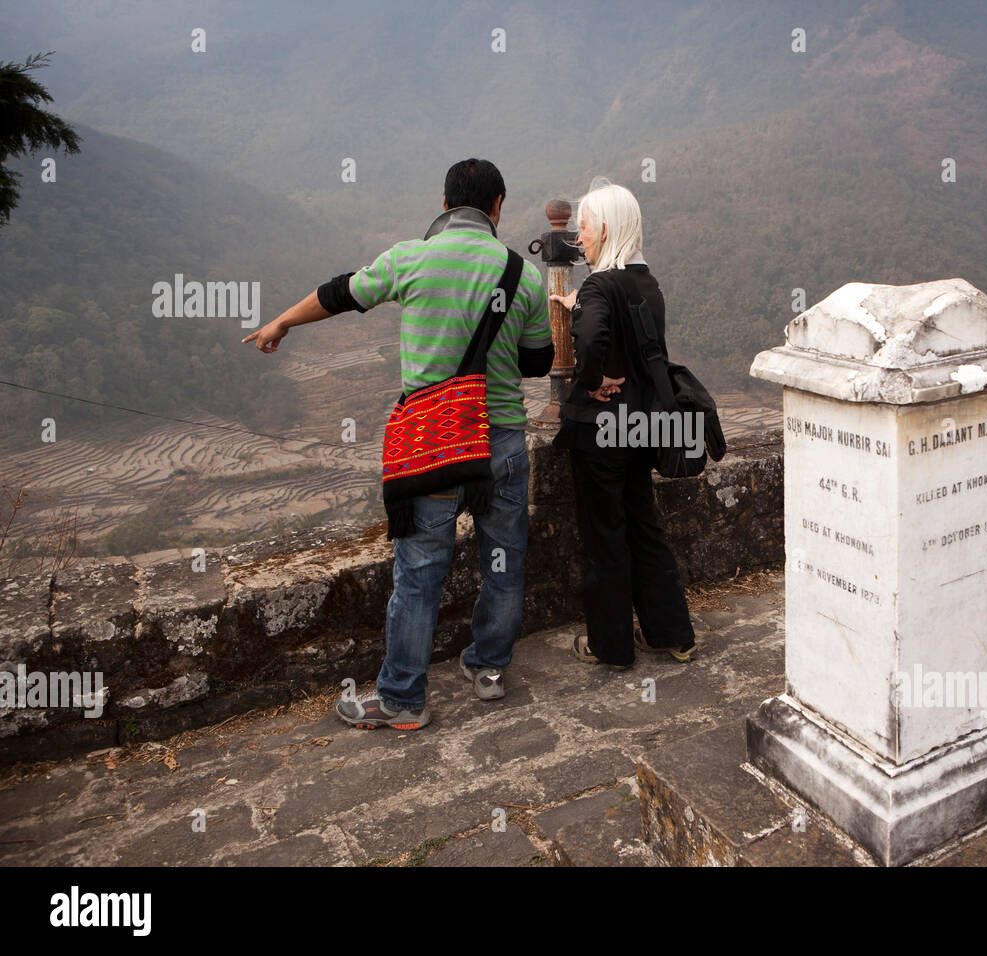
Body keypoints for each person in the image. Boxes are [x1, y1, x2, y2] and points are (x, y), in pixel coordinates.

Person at [243, 158, 553, 728]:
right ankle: (488, 668)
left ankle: (403, 700)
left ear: (443, 205)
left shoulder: (409, 259)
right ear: (498, 206)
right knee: (503, 563)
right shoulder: (523, 275)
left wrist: (281, 323)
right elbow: (538, 363)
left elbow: (339, 294)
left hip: (433, 445)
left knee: (418, 574)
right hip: (502, 443)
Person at [550, 179, 697, 668]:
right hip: (643, 426)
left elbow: (592, 339)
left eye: (585, 228)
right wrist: (584, 308)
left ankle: (609, 644)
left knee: (605, 535)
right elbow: (629, 335)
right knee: (643, 525)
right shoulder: (646, 283)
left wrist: (591, 380)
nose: (579, 239)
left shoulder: (598, 285)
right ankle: (672, 634)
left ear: (606, 229)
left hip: (602, 431)